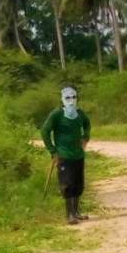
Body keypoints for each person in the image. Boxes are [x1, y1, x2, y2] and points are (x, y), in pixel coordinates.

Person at [41, 85, 92, 225]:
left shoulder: (79, 113)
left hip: (78, 155)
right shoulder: (56, 114)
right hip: (64, 156)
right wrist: (52, 151)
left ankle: (77, 212)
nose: (71, 100)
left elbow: (87, 124)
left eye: (74, 97)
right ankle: (69, 215)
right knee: (67, 185)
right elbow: (44, 131)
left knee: (78, 184)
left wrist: (85, 137)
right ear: (62, 99)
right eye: (67, 97)